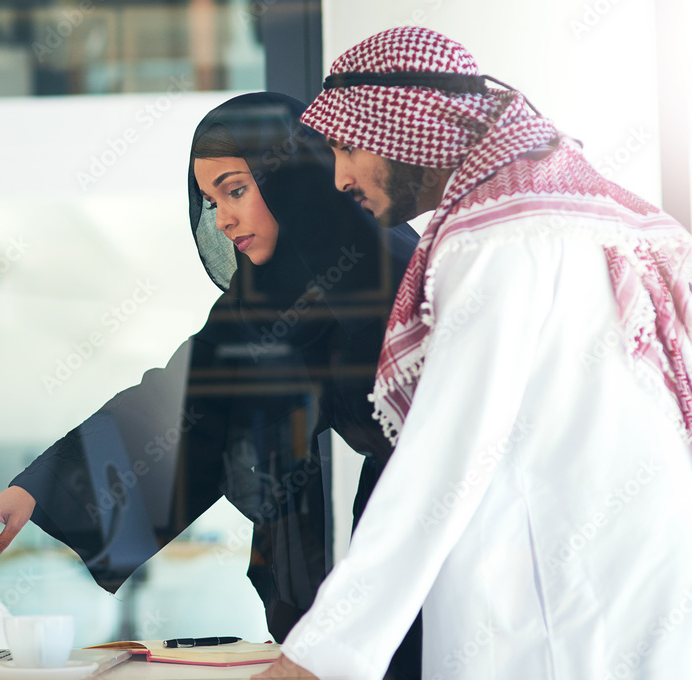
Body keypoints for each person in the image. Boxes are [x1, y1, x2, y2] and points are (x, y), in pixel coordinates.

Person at [257, 26, 692, 680]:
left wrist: (319, 655)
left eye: (348, 147)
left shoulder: (496, 239)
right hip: (629, 579)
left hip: (557, 594)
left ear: (408, 125)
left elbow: (444, 456)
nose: (341, 177)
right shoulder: (568, 209)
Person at [0, 92, 422, 674]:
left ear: (290, 177)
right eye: (211, 200)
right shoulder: (263, 299)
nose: (221, 219)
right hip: (393, 519)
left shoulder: (396, 270)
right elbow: (188, 399)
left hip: (441, 512)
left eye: (235, 190)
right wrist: (35, 491)